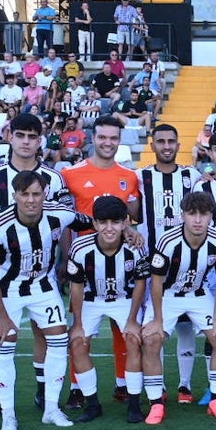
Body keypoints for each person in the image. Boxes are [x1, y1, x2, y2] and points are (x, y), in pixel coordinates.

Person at [0, 170, 93, 430]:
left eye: (36, 194)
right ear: (15, 195)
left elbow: (93, 222)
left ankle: (51, 409)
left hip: (43, 285)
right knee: (4, 344)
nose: (31, 200)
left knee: (58, 340)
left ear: (44, 194)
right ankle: (8, 414)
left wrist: (126, 230)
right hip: (8, 290)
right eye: (25, 194)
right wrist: (3, 316)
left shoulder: (59, 213)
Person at [0, 113, 70, 420]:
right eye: (21, 135)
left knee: (45, 332)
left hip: (43, 271)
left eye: (32, 136)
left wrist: (64, 258)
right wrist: (0, 255)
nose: (26, 142)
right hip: (4, 272)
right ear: (9, 136)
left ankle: (44, 394)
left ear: (40, 141)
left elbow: (65, 221)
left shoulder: (53, 178)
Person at [61, 116, 142, 406]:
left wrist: (130, 228)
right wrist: (65, 256)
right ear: (92, 138)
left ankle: (123, 384)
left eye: (113, 138)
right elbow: (64, 219)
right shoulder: (70, 174)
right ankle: (77, 387)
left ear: (119, 141)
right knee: (80, 328)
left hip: (119, 263)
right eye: (102, 137)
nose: (108, 143)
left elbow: (130, 217)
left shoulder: (129, 176)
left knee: (123, 328)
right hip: (83, 263)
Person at [141, 191, 216, 424]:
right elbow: (156, 281)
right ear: (182, 215)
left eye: (203, 214)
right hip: (168, 295)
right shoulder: (168, 241)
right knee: (152, 339)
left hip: (198, 293)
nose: (198, 220)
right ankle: (156, 403)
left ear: (211, 216)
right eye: (192, 214)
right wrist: (158, 319)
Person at [66, 195, 149, 424]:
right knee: (78, 342)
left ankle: (133, 404)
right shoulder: (81, 248)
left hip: (124, 299)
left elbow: (140, 283)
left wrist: (132, 319)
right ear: (95, 224)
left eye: (115, 222)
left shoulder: (135, 247)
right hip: (92, 300)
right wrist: (78, 323)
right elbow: (77, 286)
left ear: (125, 223)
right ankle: (92, 404)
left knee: (133, 339)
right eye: (103, 222)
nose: (109, 228)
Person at [138, 123, 204, 403]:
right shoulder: (139, 177)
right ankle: (159, 386)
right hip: (151, 267)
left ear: (179, 146)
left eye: (171, 142)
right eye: (161, 141)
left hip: (187, 267)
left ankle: (185, 385)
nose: (166, 146)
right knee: (154, 327)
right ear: (152, 145)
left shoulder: (193, 176)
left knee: (186, 327)